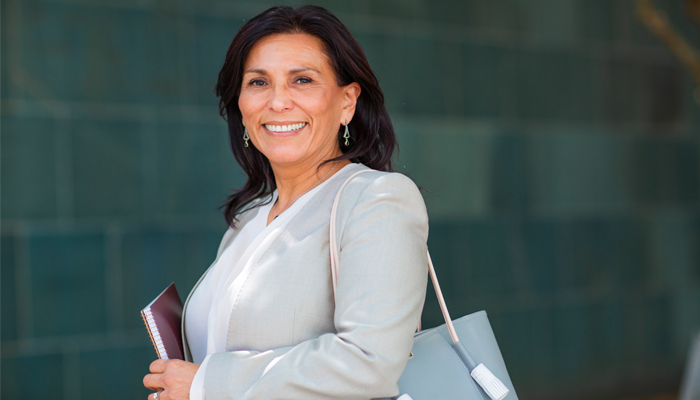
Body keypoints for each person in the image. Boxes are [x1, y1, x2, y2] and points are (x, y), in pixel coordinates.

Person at [143, 5, 428, 400]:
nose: (278, 102)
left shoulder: (376, 200)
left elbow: (369, 361)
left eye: (303, 80)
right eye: (258, 83)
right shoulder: (247, 221)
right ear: (240, 105)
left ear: (347, 102)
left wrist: (207, 384)